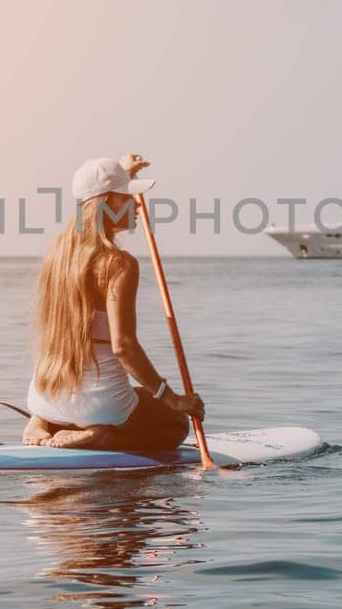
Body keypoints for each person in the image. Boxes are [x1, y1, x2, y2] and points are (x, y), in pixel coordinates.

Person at [23, 153, 205, 450]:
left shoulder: (57, 255)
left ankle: (43, 423)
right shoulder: (118, 264)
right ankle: (102, 434)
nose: (137, 205)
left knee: (136, 396)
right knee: (175, 423)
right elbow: (124, 347)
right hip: (100, 408)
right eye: (128, 198)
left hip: (45, 397)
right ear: (107, 202)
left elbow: (97, 186)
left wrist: (125, 174)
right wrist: (174, 400)